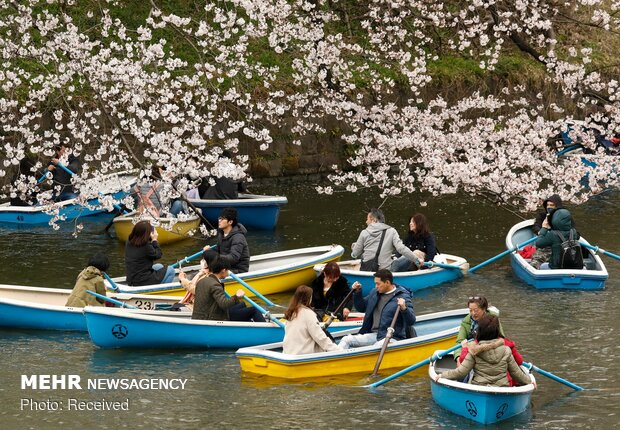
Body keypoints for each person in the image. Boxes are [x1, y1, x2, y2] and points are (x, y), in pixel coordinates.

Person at [435, 315, 533, 388]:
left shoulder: (474, 351)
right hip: (502, 388)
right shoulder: (506, 350)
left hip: (479, 387)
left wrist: (442, 375)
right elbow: (516, 373)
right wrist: (530, 382)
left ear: (480, 331)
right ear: (497, 332)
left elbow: (461, 372)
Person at [338, 269, 416, 350]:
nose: (376, 286)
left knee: (376, 347)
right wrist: (357, 293)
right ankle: (334, 358)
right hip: (374, 335)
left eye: (378, 284)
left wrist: (404, 308)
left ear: (387, 283)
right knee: (346, 339)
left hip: (392, 338)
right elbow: (361, 308)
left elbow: (411, 321)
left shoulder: (403, 296)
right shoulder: (375, 293)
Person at [191, 257, 263, 322]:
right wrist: (237, 296)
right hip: (212, 318)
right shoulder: (215, 285)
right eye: (228, 270)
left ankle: (247, 325)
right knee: (255, 310)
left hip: (202, 315)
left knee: (242, 304)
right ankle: (265, 331)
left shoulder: (202, 281)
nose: (228, 273)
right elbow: (224, 304)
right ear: (223, 270)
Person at [351, 208, 421, 272]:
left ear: (373, 220)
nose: (366, 222)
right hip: (385, 272)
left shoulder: (364, 232)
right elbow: (401, 249)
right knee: (408, 257)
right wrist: (416, 260)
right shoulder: (392, 231)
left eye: (367, 219)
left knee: (364, 256)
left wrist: (355, 247)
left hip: (367, 269)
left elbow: (354, 254)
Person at [282, 285, 340, 354]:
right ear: (308, 298)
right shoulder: (308, 314)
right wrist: (337, 350)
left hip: (288, 353)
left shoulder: (291, 312)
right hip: (302, 355)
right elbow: (320, 337)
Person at [124, 220, 175, 286]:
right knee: (171, 270)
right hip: (141, 281)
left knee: (159, 266)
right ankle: (160, 290)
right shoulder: (145, 246)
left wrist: (151, 239)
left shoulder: (129, 241)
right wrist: (154, 240)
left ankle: (156, 284)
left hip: (132, 279)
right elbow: (158, 255)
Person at [454, 295, 503, 362]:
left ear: (484, 309)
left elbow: (501, 338)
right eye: (470, 310)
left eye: (476, 310)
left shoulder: (493, 320)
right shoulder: (466, 322)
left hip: (491, 351)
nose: (473, 313)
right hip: (473, 353)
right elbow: (460, 342)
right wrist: (458, 358)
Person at [211, 207, 250, 273]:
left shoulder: (238, 237)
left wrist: (214, 257)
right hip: (225, 267)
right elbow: (218, 250)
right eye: (219, 218)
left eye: (222, 219)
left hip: (237, 270)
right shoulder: (221, 234)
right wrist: (209, 251)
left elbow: (233, 258)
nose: (219, 221)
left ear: (230, 222)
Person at [530, 195, 563, 269]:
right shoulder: (542, 216)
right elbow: (535, 226)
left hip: (560, 245)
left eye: (552, 205)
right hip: (544, 244)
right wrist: (541, 232)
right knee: (536, 260)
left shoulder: (564, 216)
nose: (549, 207)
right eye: (547, 205)